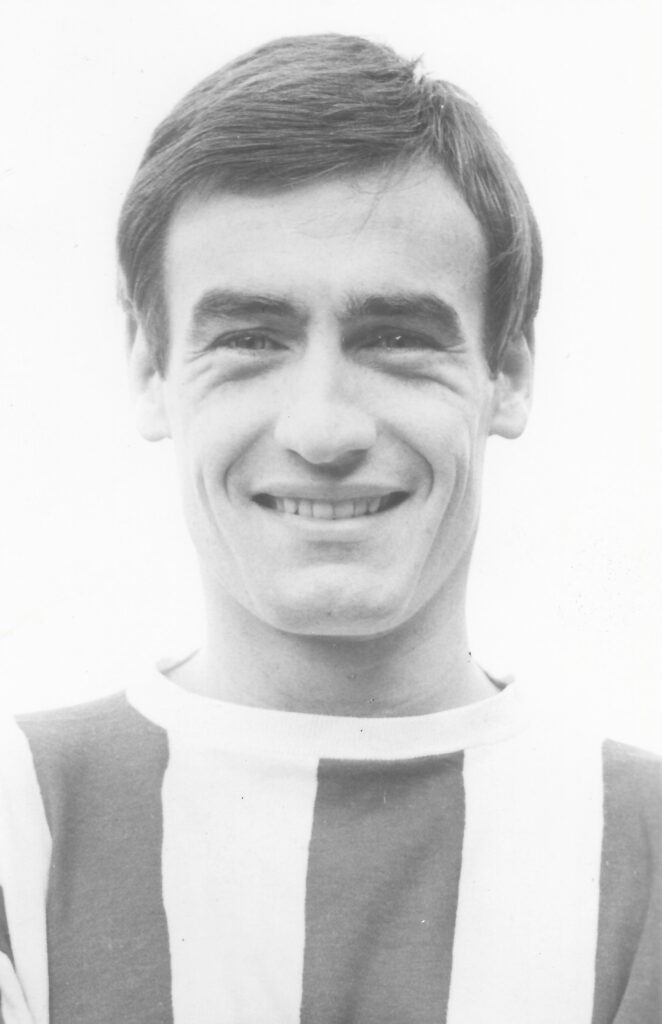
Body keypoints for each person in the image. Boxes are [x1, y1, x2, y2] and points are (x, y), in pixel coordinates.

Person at [0, 33, 659, 1024]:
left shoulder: (643, 853)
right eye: (249, 340)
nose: (322, 428)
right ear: (148, 369)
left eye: (394, 338)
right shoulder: (15, 825)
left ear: (510, 370)